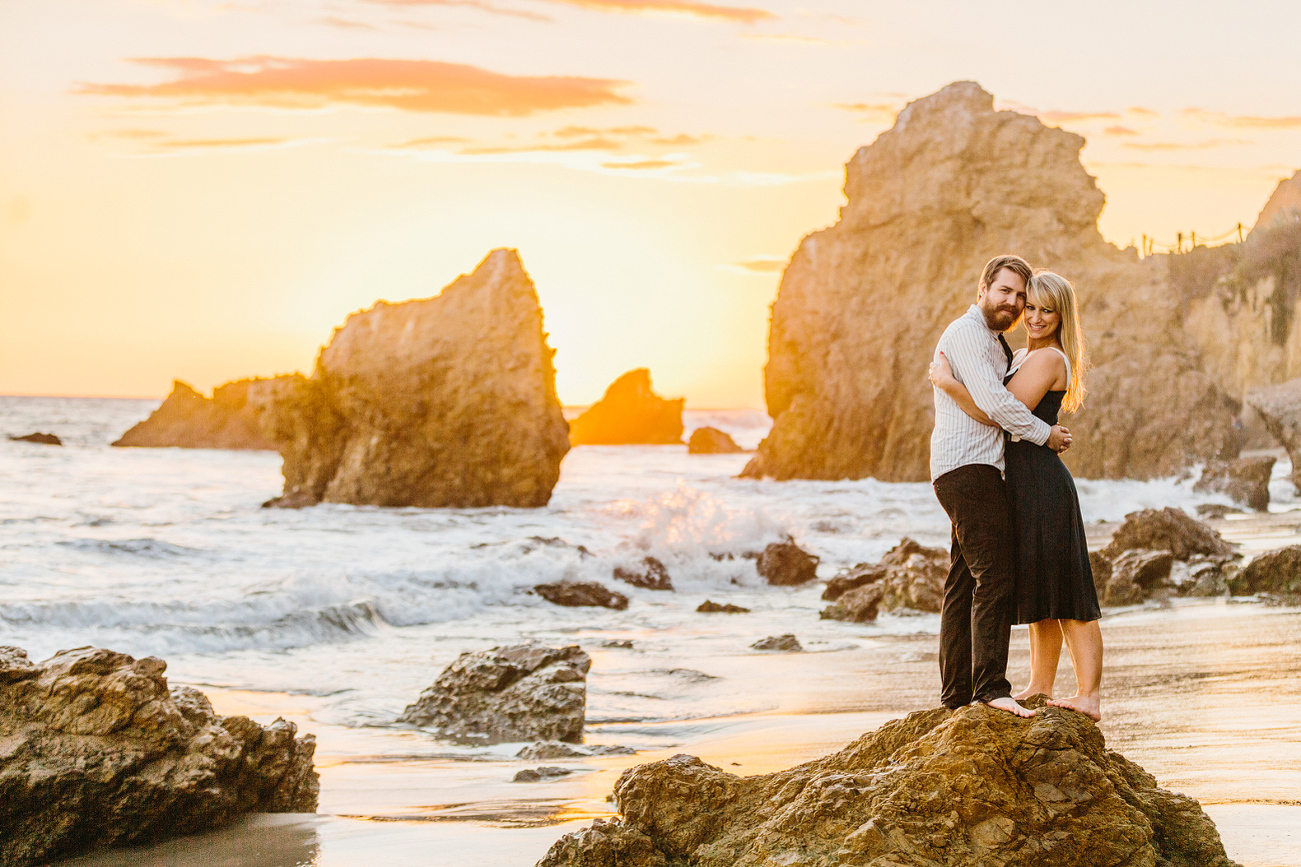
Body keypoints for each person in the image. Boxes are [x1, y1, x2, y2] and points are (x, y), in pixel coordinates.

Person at [929, 270, 1103, 721]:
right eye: (1031, 307)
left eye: (1047, 309)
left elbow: (998, 410)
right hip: (1021, 483)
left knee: (1068, 592)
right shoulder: (1023, 352)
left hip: (1043, 483)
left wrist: (949, 386)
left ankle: (1089, 696)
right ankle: (1040, 685)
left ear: (1063, 315)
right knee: (1042, 592)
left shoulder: (1047, 360)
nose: (1036, 316)